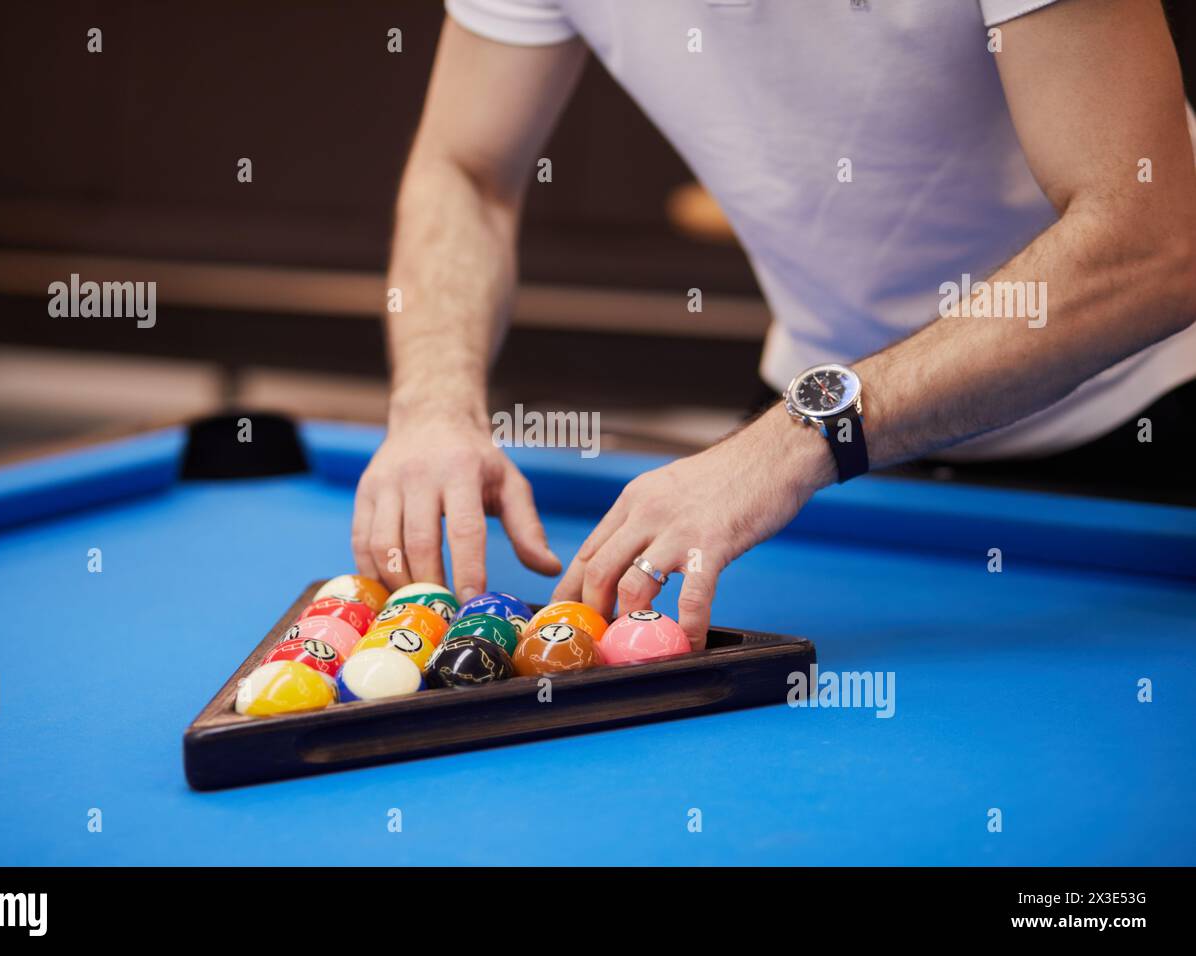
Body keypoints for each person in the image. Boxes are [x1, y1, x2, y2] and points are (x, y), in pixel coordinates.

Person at [353, 0, 1196, 647]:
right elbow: (466, 169)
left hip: (1136, 414)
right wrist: (431, 402)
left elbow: (1154, 242)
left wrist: (791, 439)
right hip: (818, 429)